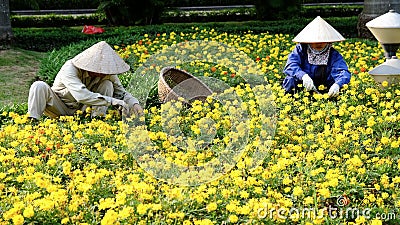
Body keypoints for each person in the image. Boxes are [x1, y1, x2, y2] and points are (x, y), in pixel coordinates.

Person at [28, 41, 143, 120]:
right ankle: (32, 120)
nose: (105, 72)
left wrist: (134, 103)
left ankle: (97, 119)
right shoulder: (70, 68)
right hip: (60, 107)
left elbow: (121, 93)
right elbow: (81, 96)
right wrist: (113, 101)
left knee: (107, 84)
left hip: (83, 109)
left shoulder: (107, 73)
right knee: (38, 86)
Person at [282, 16, 351, 97]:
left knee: (342, 87)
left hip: (325, 87)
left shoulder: (333, 54)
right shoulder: (300, 49)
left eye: (323, 40)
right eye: (316, 40)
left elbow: (343, 72)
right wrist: (303, 76)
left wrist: (337, 84)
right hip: (303, 85)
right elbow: (291, 65)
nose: (319, 43)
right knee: (290, 80)